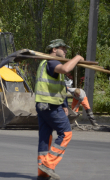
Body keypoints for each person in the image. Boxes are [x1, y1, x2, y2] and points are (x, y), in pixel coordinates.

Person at [35, 39, 85, 180]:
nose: (66, 51)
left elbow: (59, 87)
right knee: (66, 133)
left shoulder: (45, 63)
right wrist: (77, 57)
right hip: (50, 106)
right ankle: (48, 164)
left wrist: (64, 105)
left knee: (46, 138)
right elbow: (65, 69)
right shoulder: (52, 62)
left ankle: (42, 173)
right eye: (63, 48)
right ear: (54, 49)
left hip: (42, 105)